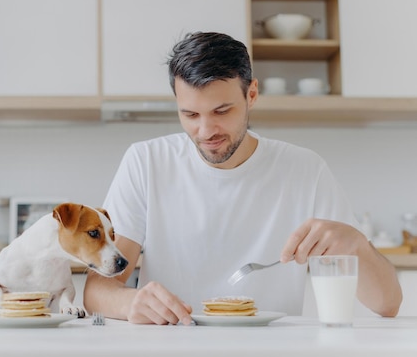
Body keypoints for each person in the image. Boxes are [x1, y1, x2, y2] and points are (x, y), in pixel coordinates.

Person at [83, 32, 402, 325]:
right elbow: (97, 289)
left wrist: (358, 246)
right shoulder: (146, 163)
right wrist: (131, 303)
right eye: (190, 115)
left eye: (222, 111)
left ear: (251, 95)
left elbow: (388, 304)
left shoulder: (305, 170)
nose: (205, 132)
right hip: (175, 343)